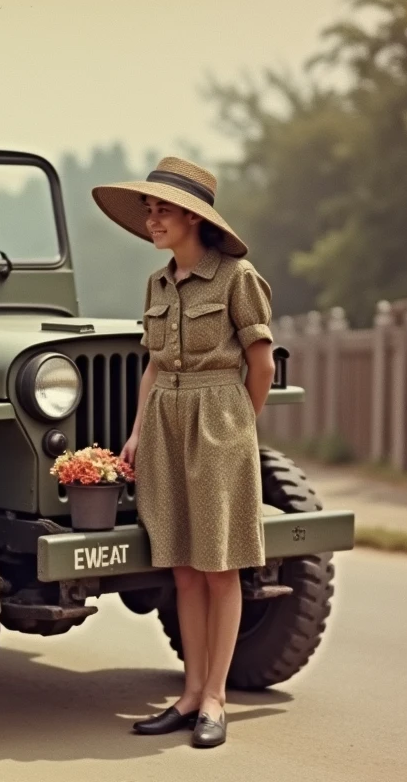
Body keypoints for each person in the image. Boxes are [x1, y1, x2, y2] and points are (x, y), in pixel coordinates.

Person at [91, 157, 276, 749]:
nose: (152, 220)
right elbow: (152, 366)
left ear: (194, 218)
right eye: (148, 210)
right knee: (182, 567)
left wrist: (239, 426)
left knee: (220, 566)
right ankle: (191, 693)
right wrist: (139, 431)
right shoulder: (158, 283)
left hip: (219, 418)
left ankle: (216, 699)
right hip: (166, 423)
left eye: (162, 210)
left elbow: (262, 363)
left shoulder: (236, 278)